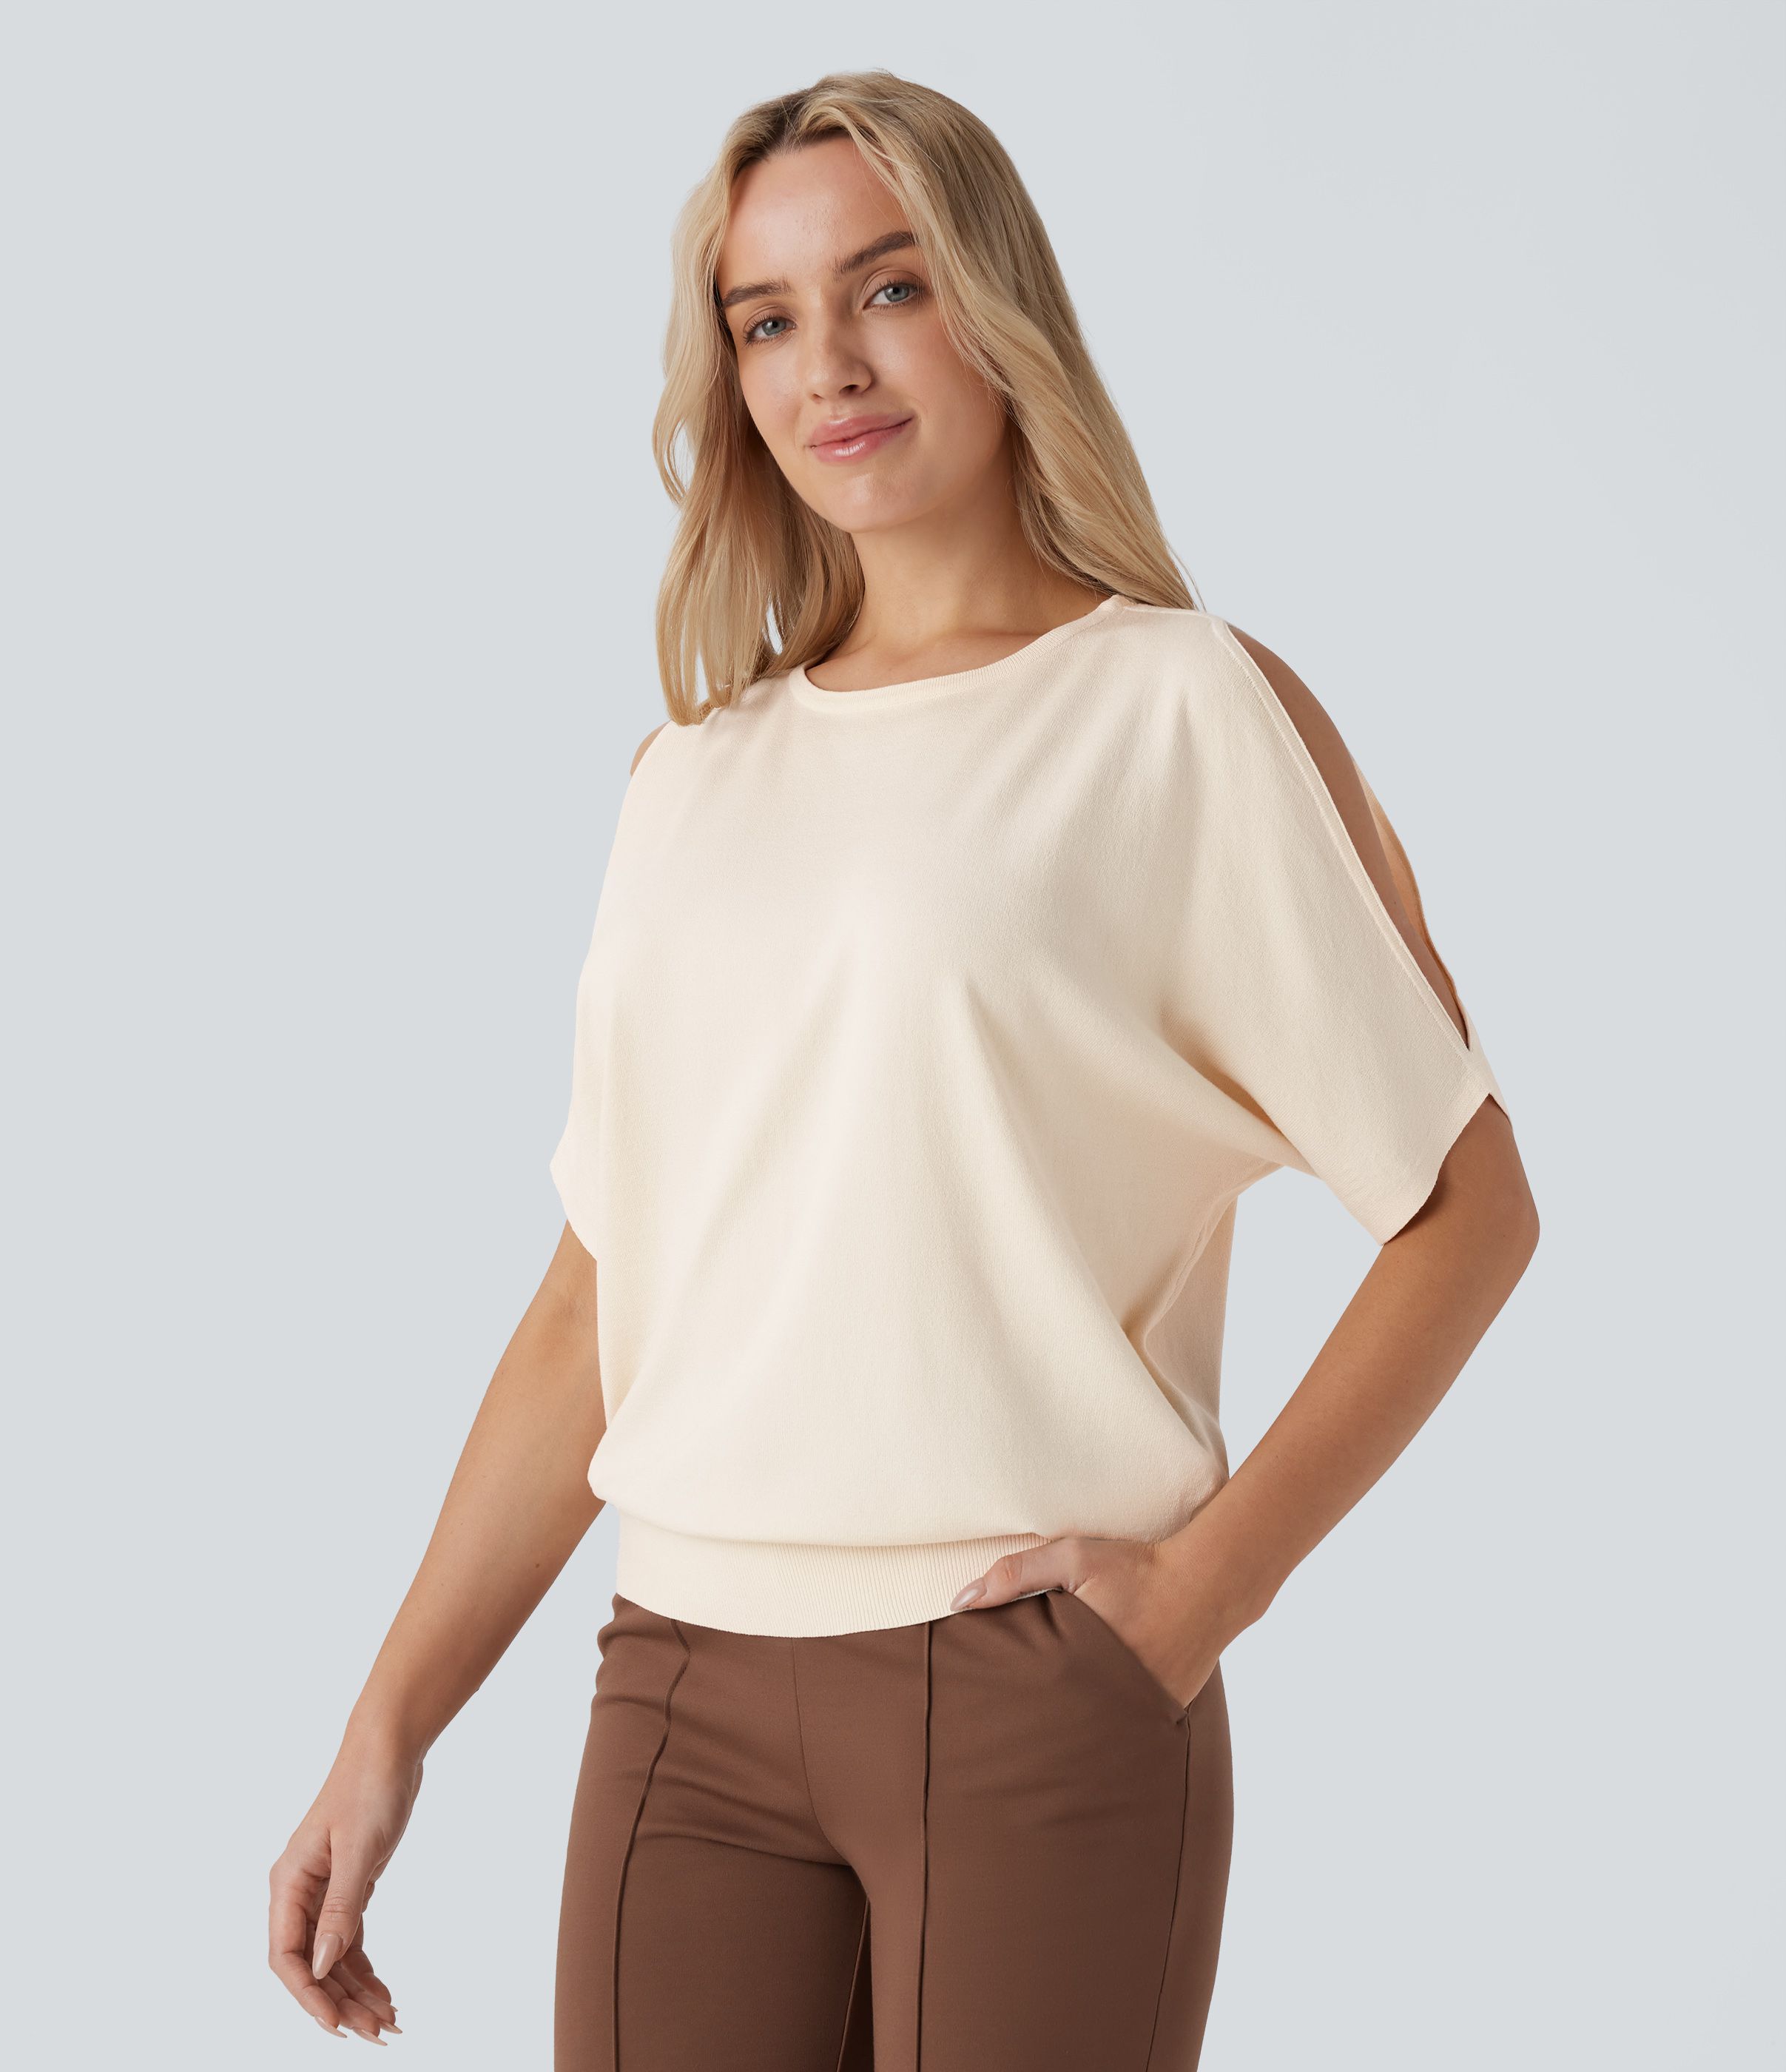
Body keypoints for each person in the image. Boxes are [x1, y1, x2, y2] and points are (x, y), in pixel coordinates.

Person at [267, 69, 1540, 2070]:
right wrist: (390, 1719)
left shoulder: (1176, 710)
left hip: (1034, 1689)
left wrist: (1202, 1597)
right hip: (678, 1691)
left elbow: (1467, 1206)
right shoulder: (691, 777)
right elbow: (603, 1293)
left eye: (889, 287)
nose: (829, 366)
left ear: (996, 304)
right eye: (766, 319)